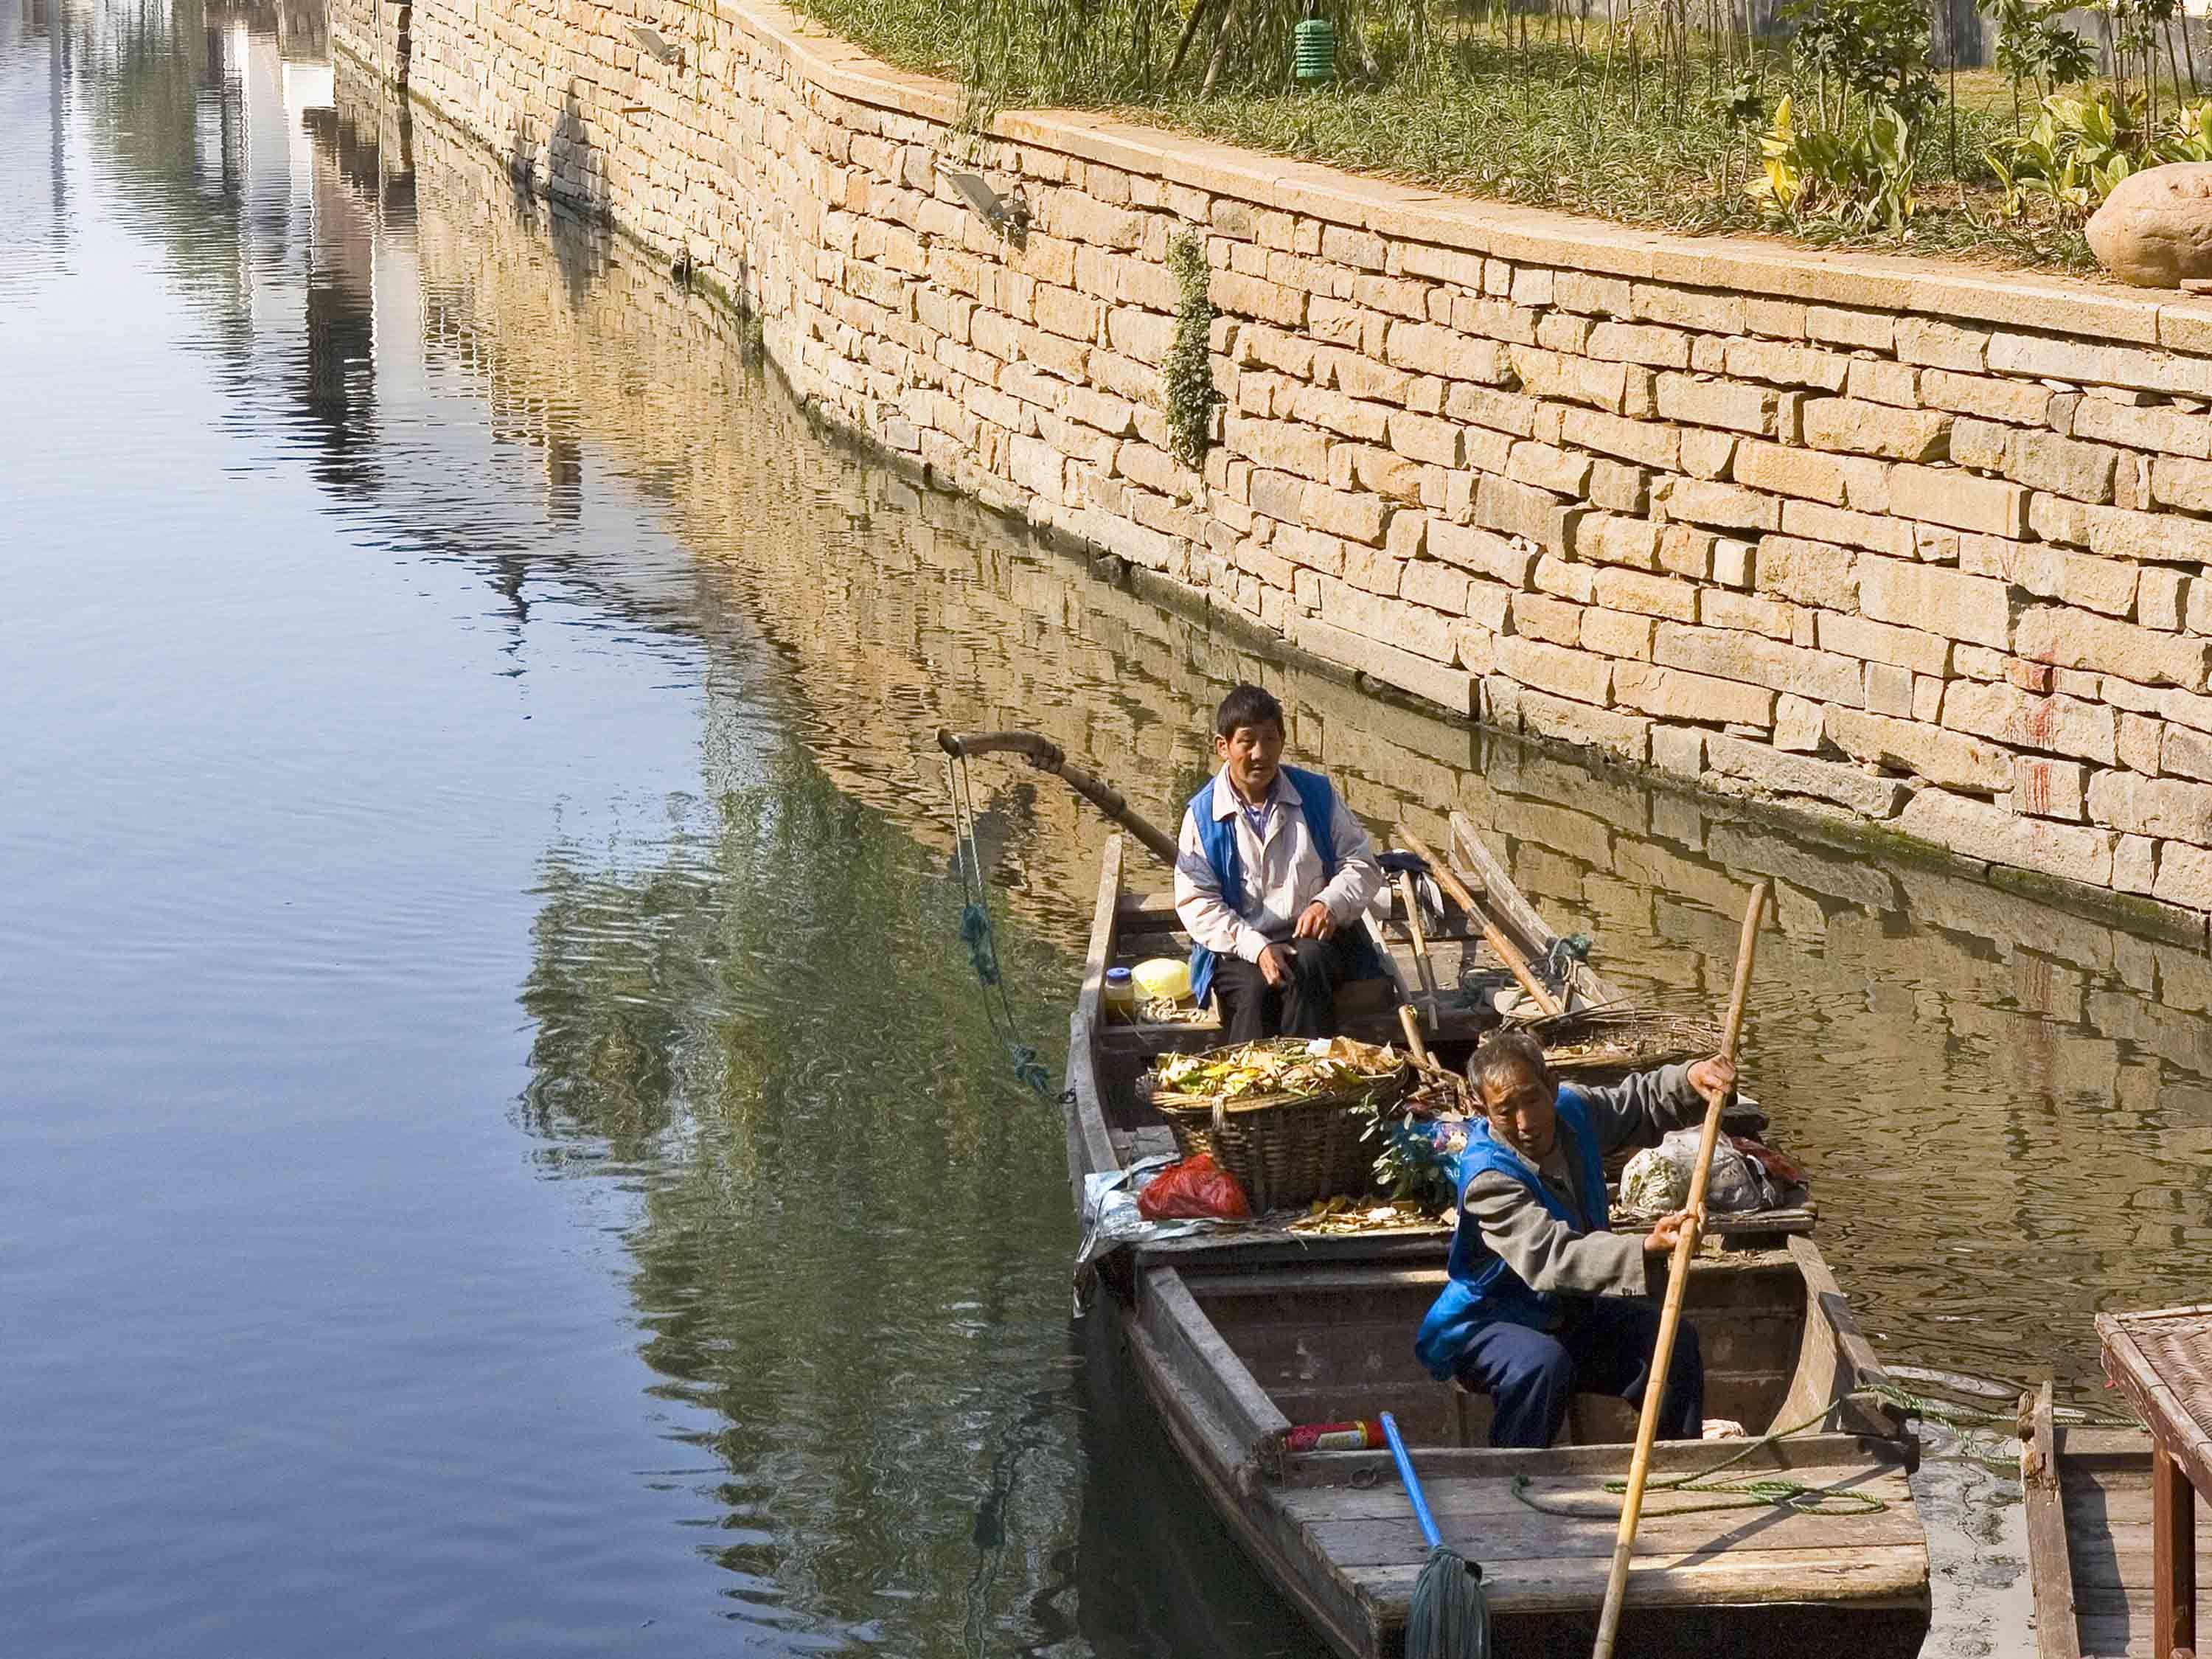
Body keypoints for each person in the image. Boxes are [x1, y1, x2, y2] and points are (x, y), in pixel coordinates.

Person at [1413, 1028, 1736, 1450]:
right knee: (1542, 1365)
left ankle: (1674, 1463)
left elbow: (1636, 1103)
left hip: (1569, 1313)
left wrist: (1691, 1078)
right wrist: (1645, 1248)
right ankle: (1513, 1477)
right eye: (1506, 1110)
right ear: (1483, 1110)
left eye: (1532, 1099)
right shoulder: (1488, 1178)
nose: (1526, 1124)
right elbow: (1551, 1257)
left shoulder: (1572, 1110)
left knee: (1671, 1339)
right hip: (1489, 1324)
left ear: (1551, 1085)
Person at [1172, 684, 1385, 1042]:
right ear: (1223, 747)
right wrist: (1257, 947)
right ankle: (1249, 1084)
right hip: (1239, 944)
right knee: (1254, 993)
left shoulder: (1316, 795)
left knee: (1309, 965)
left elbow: (1361, 864)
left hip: (1313, 939)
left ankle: (1310, 1076)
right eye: (1247, 741)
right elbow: (1198, 903)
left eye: (1270, 740)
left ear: (1283, 741)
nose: (1260, 754)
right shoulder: (1202, 815)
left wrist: (1327, 904)